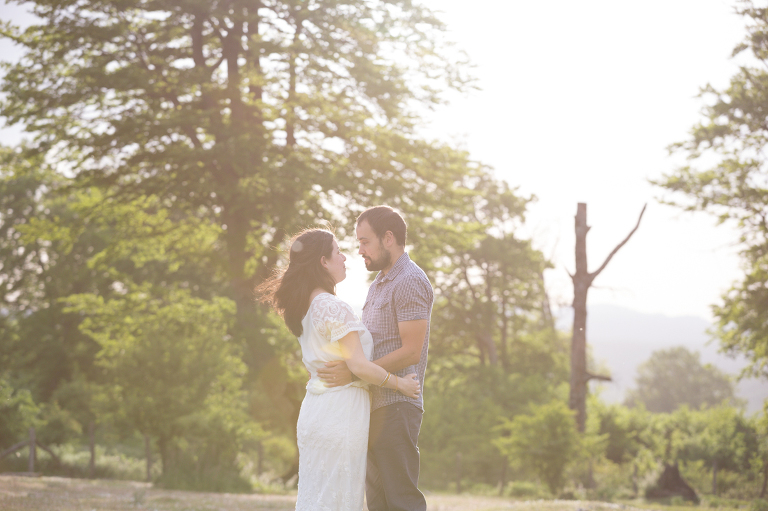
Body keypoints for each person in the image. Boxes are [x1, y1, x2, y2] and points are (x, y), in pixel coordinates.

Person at [255, 228, 420, 511]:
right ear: (323, 261)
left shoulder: (304, 307)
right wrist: (399, 384)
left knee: (318, 496)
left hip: (316, 410)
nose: (345, 257)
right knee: (338, 497)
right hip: (341, 412)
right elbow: (358, 366)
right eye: (338, 251)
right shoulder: (332, 307)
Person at [318, 206, 433, 511]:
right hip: (372, 408)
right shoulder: (379, 284)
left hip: (397, 406)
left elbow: (411, 350)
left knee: (401, 500)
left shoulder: (409, 280)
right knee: (379, 504)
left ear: (389, 238)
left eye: (365, 242)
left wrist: (355, 372)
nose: (360, 251)